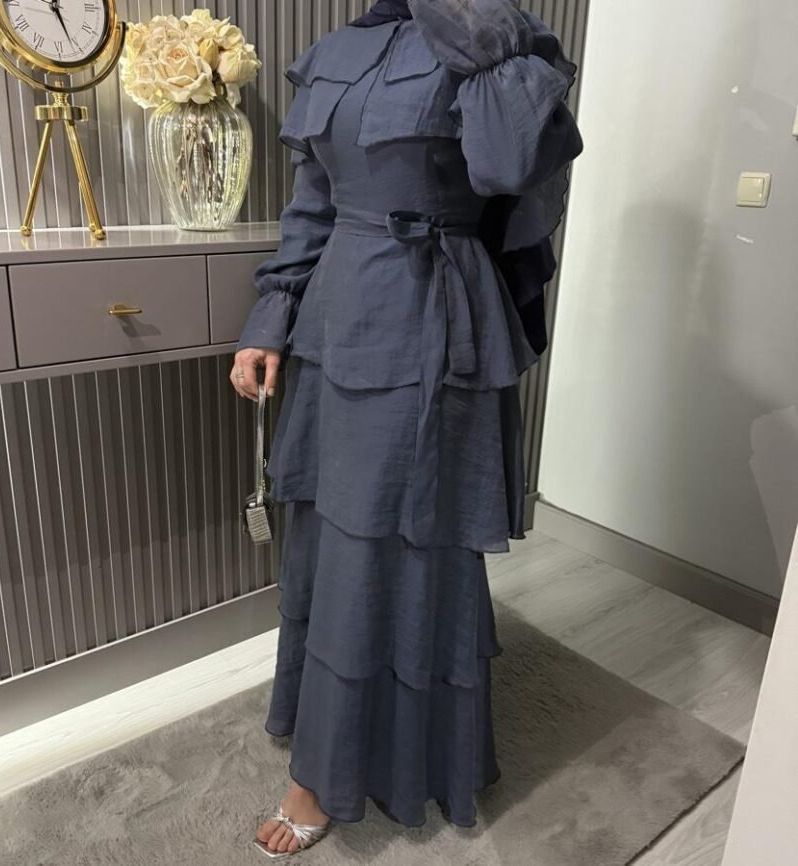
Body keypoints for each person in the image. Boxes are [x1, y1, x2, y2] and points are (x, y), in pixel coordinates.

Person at [229, 0, 583, 856]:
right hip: (336, 313)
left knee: (414, 540)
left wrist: (468, 21)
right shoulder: (332, 52)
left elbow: (508, 163)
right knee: (332, 539)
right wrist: (268, 319)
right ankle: (332, 734)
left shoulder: (494, 34)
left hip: (434, 311)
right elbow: (313, 204)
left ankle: (342, 771)